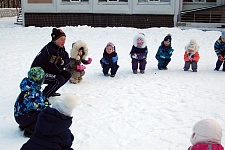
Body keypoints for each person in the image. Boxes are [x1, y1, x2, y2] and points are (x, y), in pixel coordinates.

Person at [31, 28, 71, 99]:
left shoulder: (60, 47)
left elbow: (67, 59)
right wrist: (63, 64)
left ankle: (51, 91)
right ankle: (43, 97)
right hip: (37, 74)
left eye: (64, 39)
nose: (63, 41)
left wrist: (62, 62)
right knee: (59, 79)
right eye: (61, 39)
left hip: (48, 70)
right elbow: (57, 69)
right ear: (55, 39)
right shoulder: (51, 50)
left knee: (67, 74)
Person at [14, 67, 46, 138]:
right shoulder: (34, 93)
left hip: (19, 113)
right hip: (22, 117)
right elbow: (41, 107)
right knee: (43, 114)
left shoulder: (27, 86)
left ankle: (24, 124)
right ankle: (30, 130)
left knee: (31, 110)